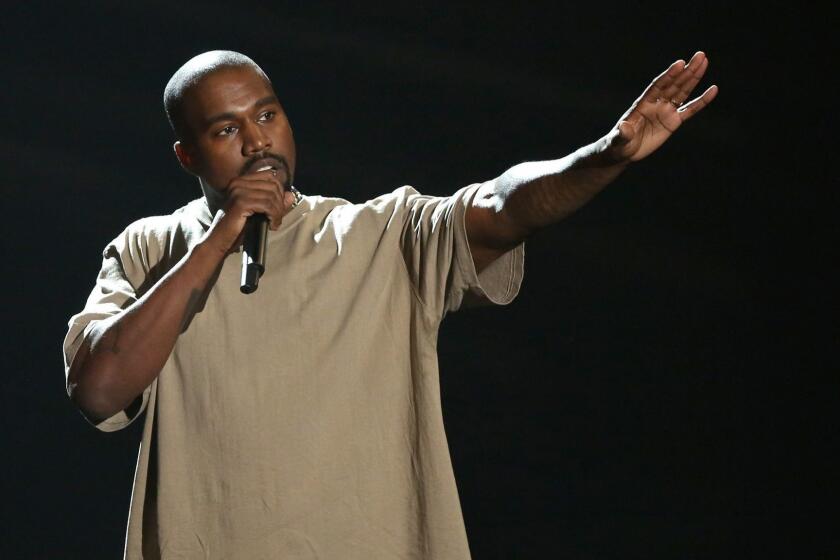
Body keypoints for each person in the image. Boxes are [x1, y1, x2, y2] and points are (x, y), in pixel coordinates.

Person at [63, 50, 717, 559]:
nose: (257, 142)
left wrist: (599, 158)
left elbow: (500, 205)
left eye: (267, 115)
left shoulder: (378, 235)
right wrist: (218, 240)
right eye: (226, 129)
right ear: (187, 154)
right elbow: (98, 388)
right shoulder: (148, 249)